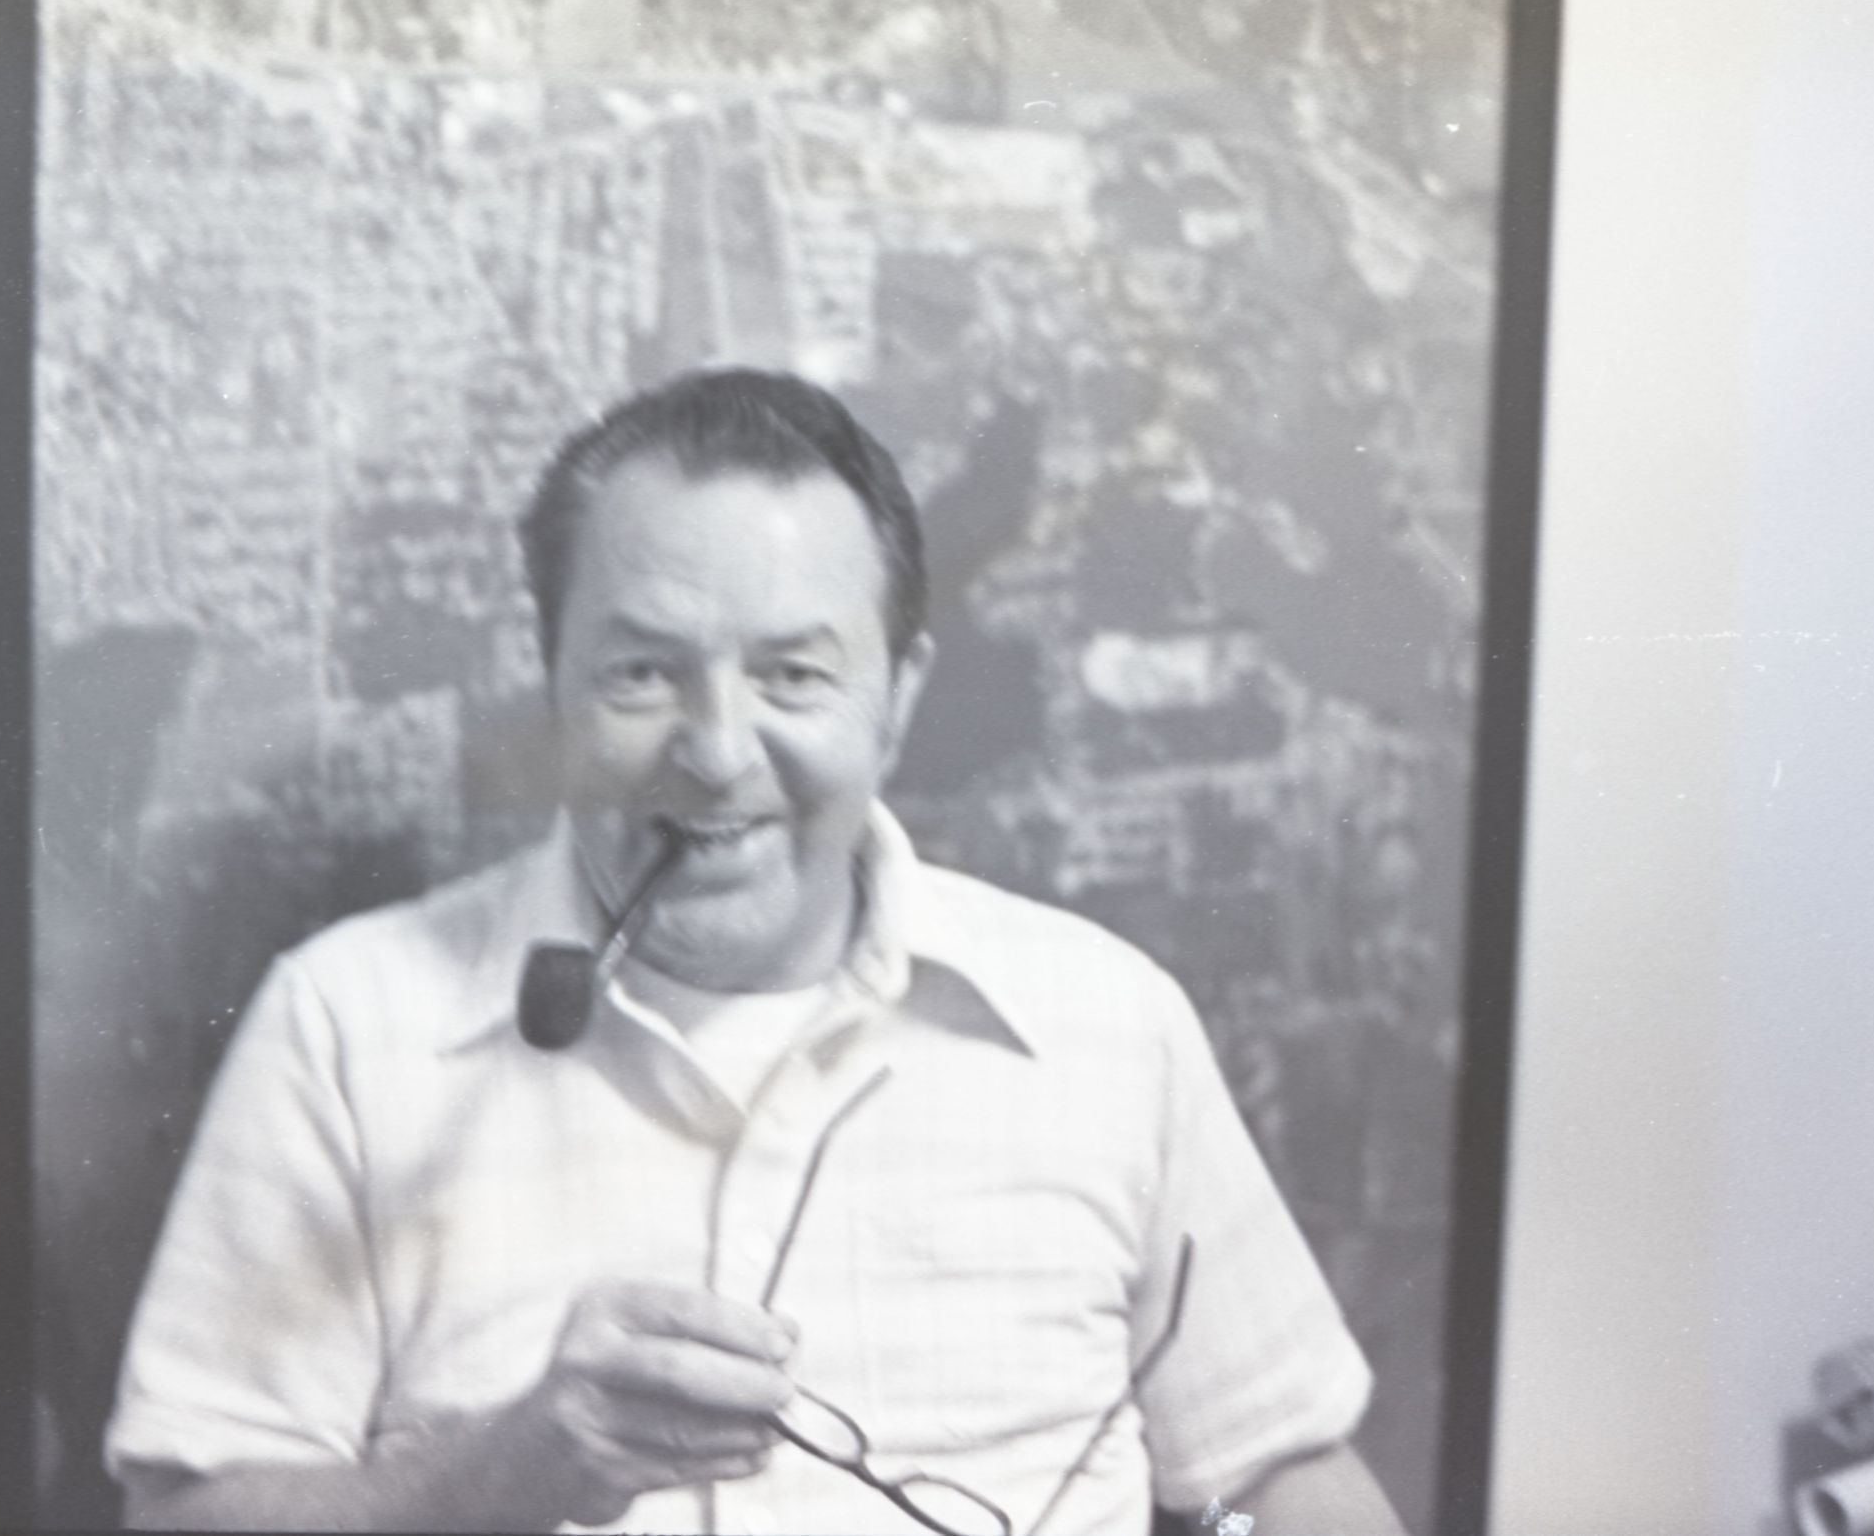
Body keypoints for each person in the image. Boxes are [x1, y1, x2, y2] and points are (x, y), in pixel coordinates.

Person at [105, 369, 1409, 1535]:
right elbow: (180, 1518)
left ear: (897, 699)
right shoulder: (345, 1025)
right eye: (641, 674)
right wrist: (492, 1481)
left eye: (793, 675)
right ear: (553, 686)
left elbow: (1270, 1477)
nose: (719, 752)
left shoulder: (1113, 1023)